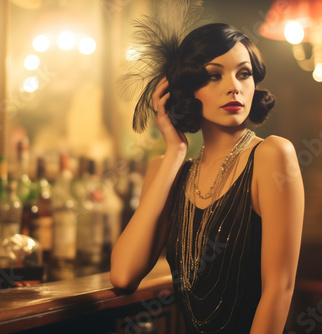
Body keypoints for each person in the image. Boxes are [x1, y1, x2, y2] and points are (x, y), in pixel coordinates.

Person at [110, 22, 304, 334]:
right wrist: (174, 151)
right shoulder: (168, 169)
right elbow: (123, 276)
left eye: (244, 73)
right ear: (186, 90)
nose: (234, 87)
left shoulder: (272, 155)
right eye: (214, 75)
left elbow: (280, 289)